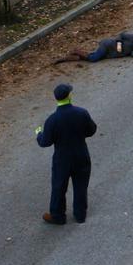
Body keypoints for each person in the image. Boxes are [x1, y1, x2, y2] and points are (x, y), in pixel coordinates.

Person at [35, 84, 97, 225]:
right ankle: (80, 214)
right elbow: (91, 130)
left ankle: (57, 215)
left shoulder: (52, 120)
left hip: (62, 159)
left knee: (59, 186)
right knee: (81, 185)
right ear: (69, 96)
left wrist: (39, 134)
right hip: (81, 155)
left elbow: (45, 142)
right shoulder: (82, 113)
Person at [55, 32, 133, 63]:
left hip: (110, 53)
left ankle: (73, 57)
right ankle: (76, 51)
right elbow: (121, 35)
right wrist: (118, 43)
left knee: (92, 56)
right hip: (108, 45)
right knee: (93, 59)